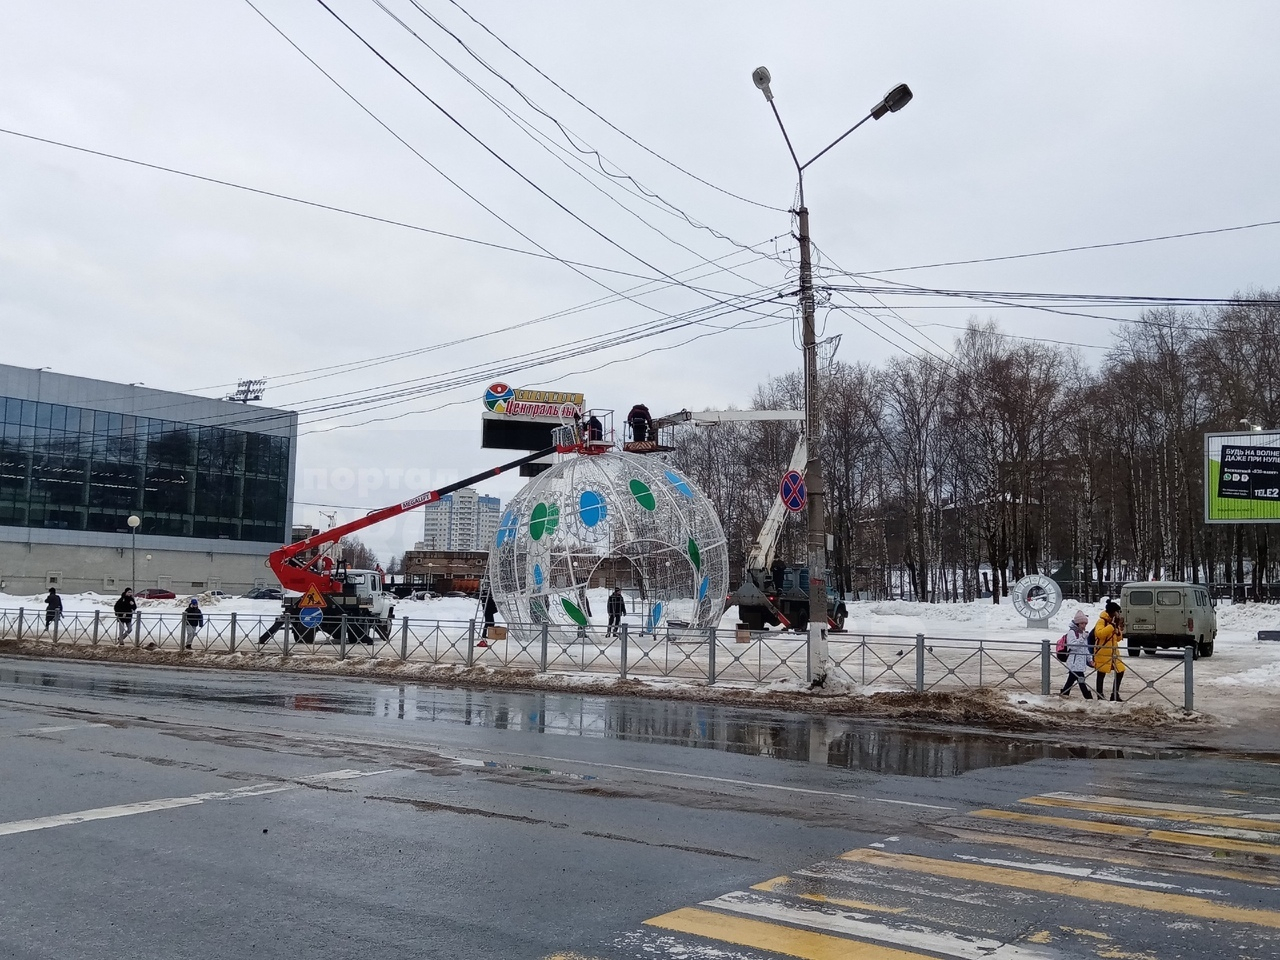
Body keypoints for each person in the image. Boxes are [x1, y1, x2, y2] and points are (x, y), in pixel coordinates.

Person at [1093, 600, 1126, 701]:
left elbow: (1118, 639)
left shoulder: (1113, 622)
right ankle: (1100, 695)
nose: (1118, 614)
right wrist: (1111, 626)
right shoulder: (1101, 621)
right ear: (1112, 612)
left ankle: (1114, 694)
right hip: (1102, 652)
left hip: (1113, 652)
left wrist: (1119, 629)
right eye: (1117, 612)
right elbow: (1099, 634)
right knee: (1101, 673)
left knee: (1120, 671)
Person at [1058, 609, 1094, 699]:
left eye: (1085, 624)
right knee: (1081, 680)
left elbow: (1085, 648)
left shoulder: (1083, 633)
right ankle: (1088, 698)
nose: (1084, 625)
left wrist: (1090, 660)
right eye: (1082, 623)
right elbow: (1073, 646)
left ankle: (1064, 694)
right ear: (1077, 623)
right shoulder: (1072, 632)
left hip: (1080, 662)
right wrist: (1082, 638)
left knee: (1071, 680)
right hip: (1074, 662)